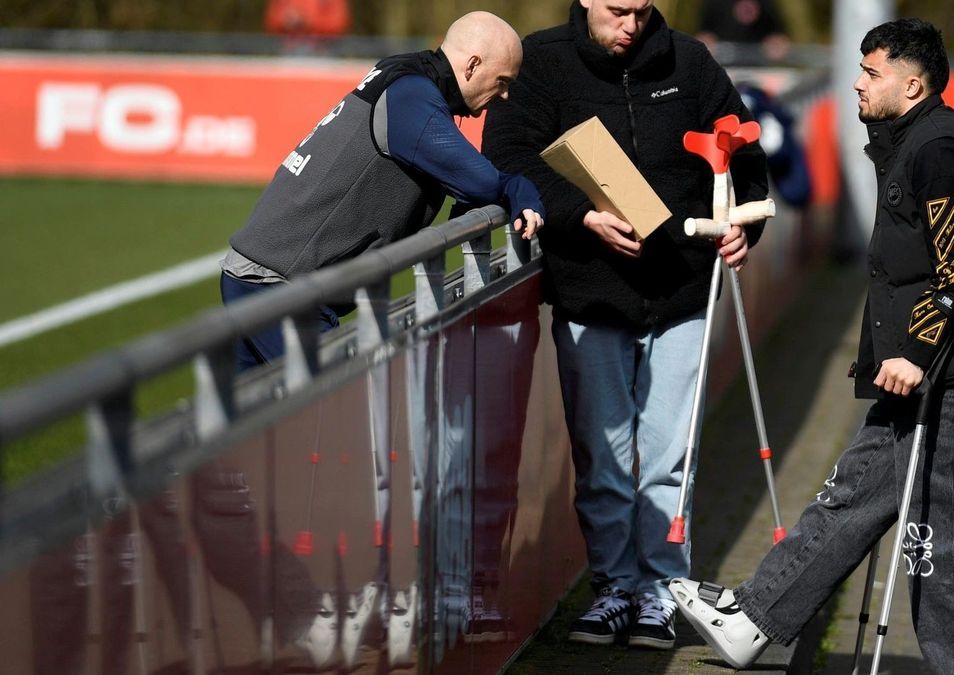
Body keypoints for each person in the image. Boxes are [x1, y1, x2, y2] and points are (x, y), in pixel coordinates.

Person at [670, 18, 954, 672]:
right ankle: (755, 619)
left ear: (913, 83)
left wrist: (915, 351)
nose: (857, 82)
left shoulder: (941, 151)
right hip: (923, 371)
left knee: (942, 532)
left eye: (872, 73)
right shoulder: (909, 144)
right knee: (849, 492)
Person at [482, 0, 768, 651]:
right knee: (604, 458)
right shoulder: (543, 62)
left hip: (685, 292)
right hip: (590, 297)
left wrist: (745, 226)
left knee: (670, 459)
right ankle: (613, 585)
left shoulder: (690, 61)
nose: (630, 24)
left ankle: (661, 592)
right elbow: (506, 156)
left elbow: (744, 151)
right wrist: (580, 215)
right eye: (617, 10)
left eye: (641, 10)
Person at [221, 11, 545, 372]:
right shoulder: (413, 98)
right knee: (337, 413)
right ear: (472, 65)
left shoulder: (407, 73)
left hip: (264, 274)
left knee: (265, 425)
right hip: (279, 286)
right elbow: (483, 182)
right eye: (502, 81)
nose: (504, 95)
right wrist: (519, 186)